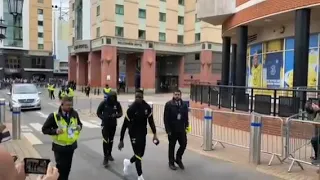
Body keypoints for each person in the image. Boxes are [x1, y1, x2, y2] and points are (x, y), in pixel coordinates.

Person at [118, 89, 159, 180]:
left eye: (140, 97)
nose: (138, 99)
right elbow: (124, 125)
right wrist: (121, 140)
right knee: (138, 154)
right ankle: (140, 176)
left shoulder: (147, 108)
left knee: (141, 154)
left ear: (142, 97)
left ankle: (128, 162)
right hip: (133, 134)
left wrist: (155, 134)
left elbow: (151, 122)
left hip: (142, 133)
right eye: (136, 97)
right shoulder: (131, 109)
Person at [42, 96, 83, 180]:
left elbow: (80, 124)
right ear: (62, 105)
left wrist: (79, 127)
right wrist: (55, 131)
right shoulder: (54, 116)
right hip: (59, 147)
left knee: (67, 168)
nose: (69, 107)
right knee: (60, 169)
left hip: (70, 146)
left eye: (71, 105)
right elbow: (44, 129)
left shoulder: (74, 114)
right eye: (67, 105)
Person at [164, 89, 189, 170]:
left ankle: (178, 158)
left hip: (181, 129)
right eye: (175, 94)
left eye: (178, 94)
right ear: (173, 95)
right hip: (172, 129)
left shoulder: (184, 104)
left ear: (180, 95)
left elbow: (186, 117)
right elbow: (166, 118)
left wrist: (187, 126)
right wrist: (168, 130)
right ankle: (171, 162)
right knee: (172, 146)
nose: (177, 96)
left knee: (184, 144)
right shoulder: (168, 104)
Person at [96, 91, 123, 167]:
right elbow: (98, 113)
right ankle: (105, 157)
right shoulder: (103, 103)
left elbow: (121, 113)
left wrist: (116, 115)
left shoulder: (117, 104)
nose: (112, 99)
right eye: (111, 97)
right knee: (105, 140)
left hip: (113, 125)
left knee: (111, 140)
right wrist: (103, 118)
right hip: (105, 125)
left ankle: (109, 154)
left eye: (114, 98)